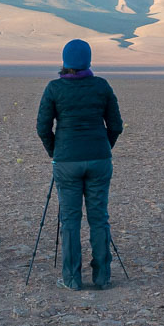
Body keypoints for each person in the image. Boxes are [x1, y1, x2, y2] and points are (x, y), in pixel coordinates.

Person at [36, 39, 124, 290]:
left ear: (65, 62)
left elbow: (43, 128)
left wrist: (57, 152)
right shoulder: (101, 86)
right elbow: (116, 125)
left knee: (70, 220)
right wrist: (102, 148)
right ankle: (102, 277)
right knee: (99, 219)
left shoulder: (55, 89)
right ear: (88, 60)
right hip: (99, 160)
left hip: (66, 163)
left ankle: (72, 279)